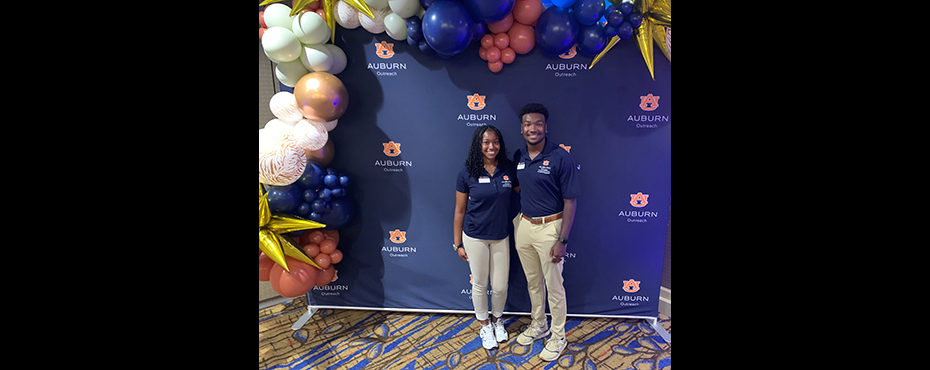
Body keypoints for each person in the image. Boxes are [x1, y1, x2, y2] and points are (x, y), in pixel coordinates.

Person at [511, 103, 580, 361]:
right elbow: (519, 187)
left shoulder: (560, 157)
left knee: (554, 285)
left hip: (551, 228)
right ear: (521, 128)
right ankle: (539, 325)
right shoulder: (520, 156)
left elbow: (570, 201)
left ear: (546, 127)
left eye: (538, 124)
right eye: (528, 124)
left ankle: (559, 336)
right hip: (525, 226)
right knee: (533, 282)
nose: (533, 129)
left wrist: (562, 239)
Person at [453, 125, 519, 350]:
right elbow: (460, 210)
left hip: (501, 236)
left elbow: (524, 192)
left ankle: (498, 320)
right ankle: (484, 325)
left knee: (500, 286)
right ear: (478, 145)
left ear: (500, 144)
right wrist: (457, 243)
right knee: (480, 284)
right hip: (475, 237)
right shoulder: (467, 172)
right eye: (486, 142)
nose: (491, 146)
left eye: (495, 142)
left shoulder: (508, 169)